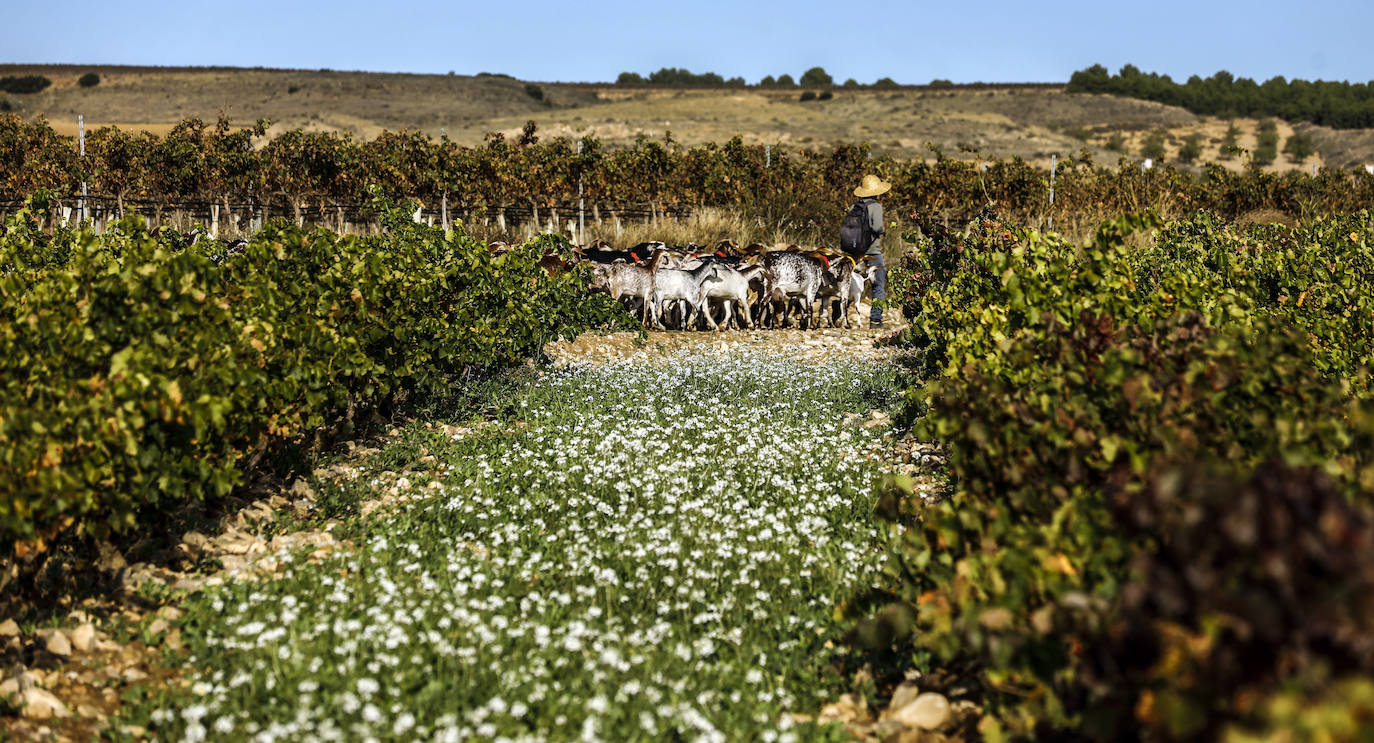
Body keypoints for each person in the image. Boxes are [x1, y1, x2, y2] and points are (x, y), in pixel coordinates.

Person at [849, 174, 891, 327]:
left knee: (850, 284)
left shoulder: (854, 207)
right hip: (873, 252)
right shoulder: (876, 207)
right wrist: (884, 228)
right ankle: (875, 319)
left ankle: (840, 313)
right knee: (878, 285)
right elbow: (877, 228)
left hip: (855, 253)